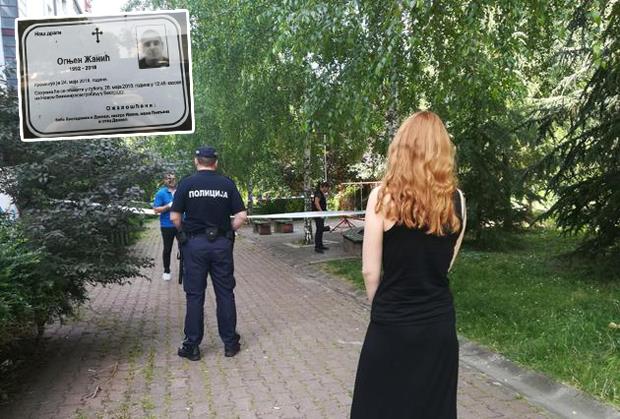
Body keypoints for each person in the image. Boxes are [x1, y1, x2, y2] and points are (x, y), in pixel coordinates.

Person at [350, 111, 467, 419]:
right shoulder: (458, 200)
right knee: (432, 408)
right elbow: (446, 264)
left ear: (401, 148)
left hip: (392, 322)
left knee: (380, 406)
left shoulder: (381, 197)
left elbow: (369, 270)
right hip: (438, 323)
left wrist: (382, 306)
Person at [170, 146, 247, 361]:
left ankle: (192, 346)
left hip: (194, 245)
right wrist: (228, 232)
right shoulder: (227, 184)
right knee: (225, 293)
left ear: (197, 161)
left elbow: (175, 217)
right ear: (216, 163)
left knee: (195, 295)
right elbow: (241, 215)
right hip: (221, 244)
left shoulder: (186, 184)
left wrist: (184, 235)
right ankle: (230, 344)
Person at [153, 173, 177, 281]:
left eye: (173, 178)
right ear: (164, 180)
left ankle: (185, 269)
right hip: (167, 225)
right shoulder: (161, 193)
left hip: (181, 224)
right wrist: (168, 206)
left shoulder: (181, 191)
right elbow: (156, 209)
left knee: (185, 247)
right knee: (167, 248)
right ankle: (166, 271)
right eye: (168, 178)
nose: (171, 180)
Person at [313, 181, 330, 253]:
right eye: (327, 188)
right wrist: (321, 212)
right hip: (318, 214)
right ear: (324, 187)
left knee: (320, 230)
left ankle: (320, 245)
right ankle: (317, 247)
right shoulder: (318, 193)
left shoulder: (321, 193)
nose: (327, 190)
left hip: (320, 214)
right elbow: (316, 203)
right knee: (319, 230)